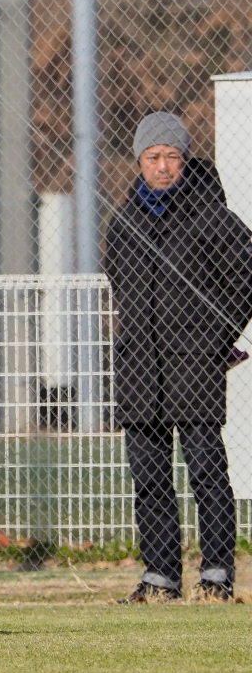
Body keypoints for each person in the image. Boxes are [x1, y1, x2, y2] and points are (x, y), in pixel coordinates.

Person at [103, 111, 252, 603]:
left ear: (186, 160)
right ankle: (160, 579)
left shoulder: (214, 216)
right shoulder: (124, 221)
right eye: (153, 157)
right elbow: (118, 282)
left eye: (172, 157)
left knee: (207, 471)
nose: (163, 166)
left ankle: (216, 578)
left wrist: (216, 339)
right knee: (148, 477)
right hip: (140, 368)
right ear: (139, 161)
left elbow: (244, 283)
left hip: (196, 367)